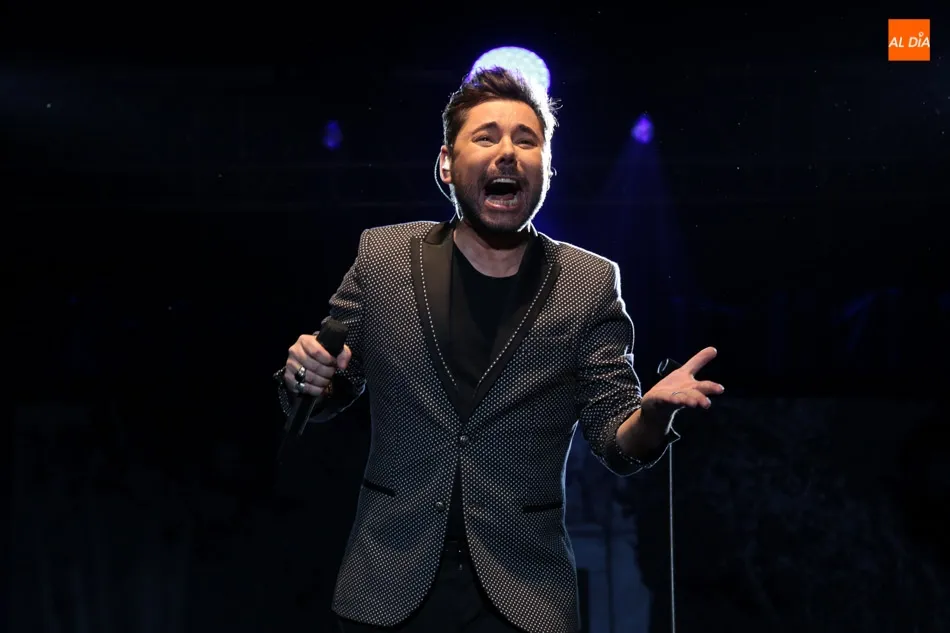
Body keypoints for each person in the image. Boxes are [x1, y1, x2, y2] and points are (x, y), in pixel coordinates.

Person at [274, 67, 724, 633]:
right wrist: (306, 377)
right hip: (386, 582)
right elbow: (327, 384)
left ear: (548, 169)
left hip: (525, 595)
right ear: (446, 163)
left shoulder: (587, 283)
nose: (507, 152)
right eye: (486, 137)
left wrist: (653, 414)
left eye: (526, 140)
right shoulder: (383, 257)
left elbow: (616, 441)